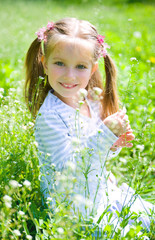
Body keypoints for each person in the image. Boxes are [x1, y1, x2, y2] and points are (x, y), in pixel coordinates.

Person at [24, 18, 154, 237]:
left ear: (93, 68)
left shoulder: (91, 101)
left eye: (80, 66)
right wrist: (104, 136)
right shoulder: (50, 117)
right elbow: (68, 172)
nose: (69, 75)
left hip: (100, 192)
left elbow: (94, 152)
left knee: (148, 217)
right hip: (75, 210)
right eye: (59, 63)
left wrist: (113, 144)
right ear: (44, 63)